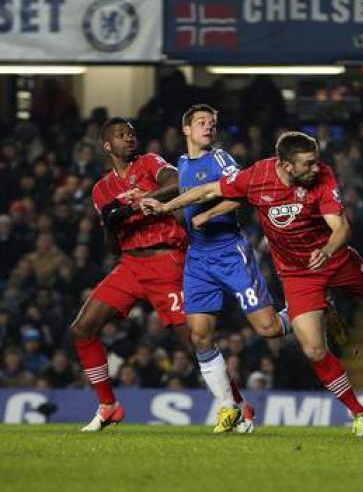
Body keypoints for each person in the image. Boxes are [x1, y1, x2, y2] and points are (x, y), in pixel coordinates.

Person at [141, 131, 363, 437]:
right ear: (286, 165)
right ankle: (360, 413)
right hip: (297, 274)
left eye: (316, 161)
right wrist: (166, 207)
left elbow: (341, 227)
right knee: (314, 350)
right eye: (307, 164)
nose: (315, 168)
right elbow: (209, 190)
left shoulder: (322, 176)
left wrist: (326, 251)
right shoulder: (258, 176)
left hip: (334, 258)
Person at [70, 118, 249, 432]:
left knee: (194, 341)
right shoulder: (101, 190)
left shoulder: (150, 163)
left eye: (131, 133)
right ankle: (109, 406)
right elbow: (112, 246)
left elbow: (178, 182)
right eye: (121, 135)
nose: (129, 138)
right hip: (130, 265)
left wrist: (132, 206)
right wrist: (111, 223)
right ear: (107, 145)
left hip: (167, 261)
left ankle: (240, 406)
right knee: (82, 329)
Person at [158, 104, 293, 433]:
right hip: (198, 259)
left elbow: (243, 194)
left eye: (212, 123)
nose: (208, 127)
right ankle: (229, 408)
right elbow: (184, 196)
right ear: (186, 129)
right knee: (199, 335)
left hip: (230, 252)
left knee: (268, 328)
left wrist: (208, 214)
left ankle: (305, 311)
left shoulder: (220, 160)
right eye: (201, 122)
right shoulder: (183, 162)